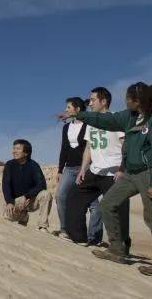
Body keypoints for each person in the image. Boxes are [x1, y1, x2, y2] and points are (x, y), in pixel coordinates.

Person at [63, 82, 152, 279]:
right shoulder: (129, 116)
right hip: (130, 174)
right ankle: (117, 249)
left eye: (129, 97)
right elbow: (105, 120)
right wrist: (79, 115)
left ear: (139, 100)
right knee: (108, 203)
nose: (126, 100)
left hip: (149, 175)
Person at [65, 87, 131, 252]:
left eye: (93, 100)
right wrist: (82, 170)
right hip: (95, 171)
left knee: (118, 210)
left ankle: (122, 246)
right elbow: (88, 147)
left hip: (114, 172)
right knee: (74, 197)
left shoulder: (116, 120)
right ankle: (79, 238)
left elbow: (126, 146)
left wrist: (122, 168)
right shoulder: (91, 122)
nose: (90, 103)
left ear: (104, 102)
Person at [55, 97, 99, 241]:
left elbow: (91, 148)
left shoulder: (89, 125)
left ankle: (94, 237)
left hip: (86, 168)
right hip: (69, 168)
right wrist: (60, 170)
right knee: (60, 196)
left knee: (93, 204)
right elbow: (64, 148)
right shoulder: (66, 127)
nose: (66, 110)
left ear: (78, 109)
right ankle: (64, 229)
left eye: (69, 107)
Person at [2, 139, 53, 230]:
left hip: (31, 200)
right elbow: (6, 185)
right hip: (16, 201)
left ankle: (42, 226)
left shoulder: (33, 165)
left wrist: (27, 196)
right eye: (14, 148)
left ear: (26, 153)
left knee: (46, 194)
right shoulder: (9, 165)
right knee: (7, 216)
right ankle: (23, 216)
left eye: (18, 149)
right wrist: (9, 202)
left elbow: (41, 185)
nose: (14, 151)